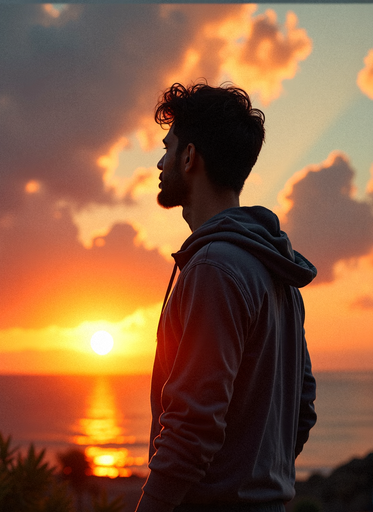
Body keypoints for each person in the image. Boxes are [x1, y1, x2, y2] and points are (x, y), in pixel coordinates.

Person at [135, 82, 317, 512]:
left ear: (189, 157)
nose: (160, 162)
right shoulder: (275, 270)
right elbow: (302, 407)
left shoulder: (214, 268)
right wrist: (255, 481)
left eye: (167, 148)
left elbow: (191, 427)